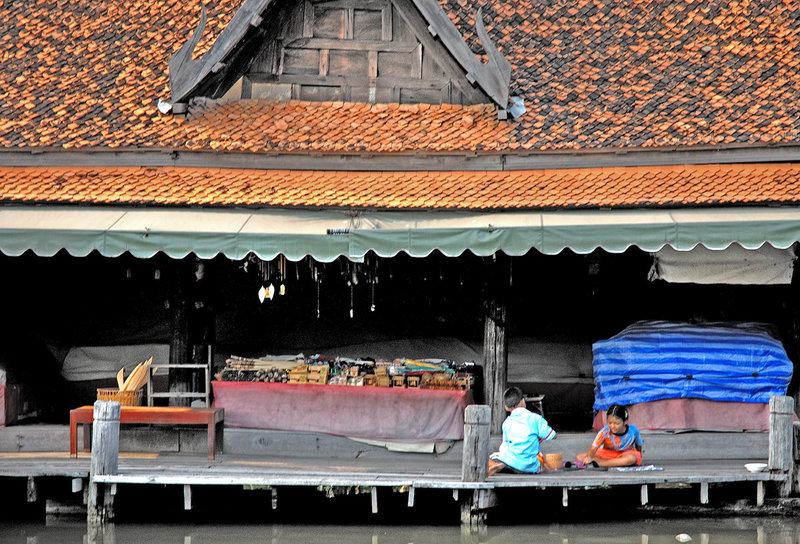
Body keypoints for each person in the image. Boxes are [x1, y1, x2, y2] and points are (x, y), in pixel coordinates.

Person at [488, 386, 556, 475]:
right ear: (523, 401)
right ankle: (505, 465)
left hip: (512, 462)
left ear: (506, 407)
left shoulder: (507, 423)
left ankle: (501, 465)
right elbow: (553, 435)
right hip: (530, 467)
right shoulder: (536, 418)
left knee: (488, 459)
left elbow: (504, 446)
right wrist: (540, 437)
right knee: (538, 461)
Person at [576, 404, 643, 467]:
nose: (612, 426)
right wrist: (588, 458)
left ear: (625, 422)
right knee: (579, 457)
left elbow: (639, 445)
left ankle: (599, 464)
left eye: (617, 423)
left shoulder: (633, 431)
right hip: (606, 454)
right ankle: (606, 463)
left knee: (631, 458)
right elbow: (594, 447)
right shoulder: (605, 431)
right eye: (609, 423)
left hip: (624, 454)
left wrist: (638, 456)